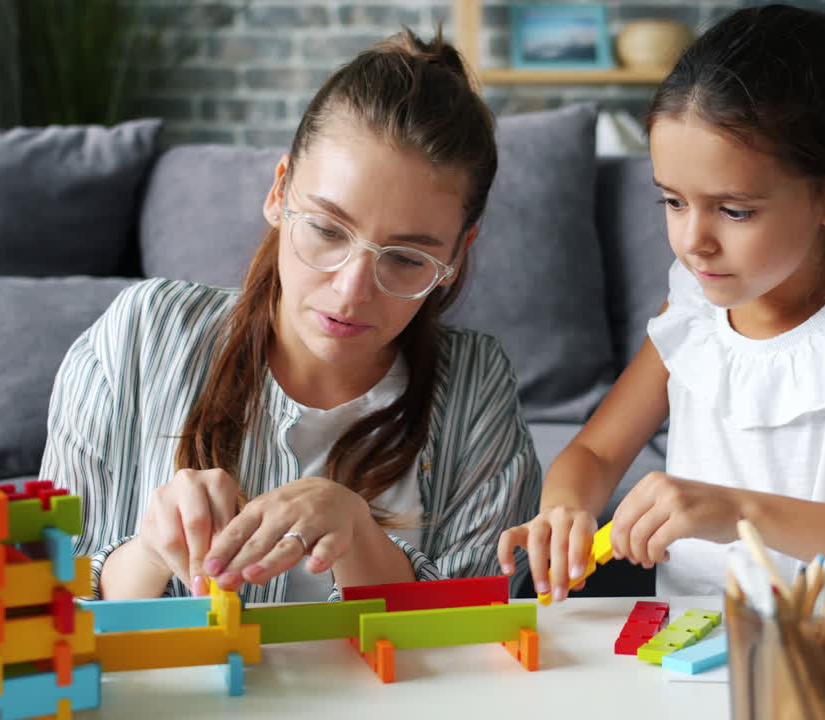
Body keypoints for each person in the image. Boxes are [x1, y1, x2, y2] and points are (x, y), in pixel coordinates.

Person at [498, 2, 825, 601]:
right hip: (689, 650)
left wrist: (739, 513)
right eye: (673, 202)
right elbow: (595, 451)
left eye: (734, 210)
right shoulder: (692, 312)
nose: (693, 242)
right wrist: (564, 508)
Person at [42, 29, 541, 604]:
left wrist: (358, 538)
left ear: (456, 252)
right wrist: (149, 553)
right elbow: (54, 598)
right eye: (328, 231)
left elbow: (482, 621)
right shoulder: (142, 333)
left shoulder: (477, 384)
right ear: (280, 191)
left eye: (406, 258)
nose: (352, 291)